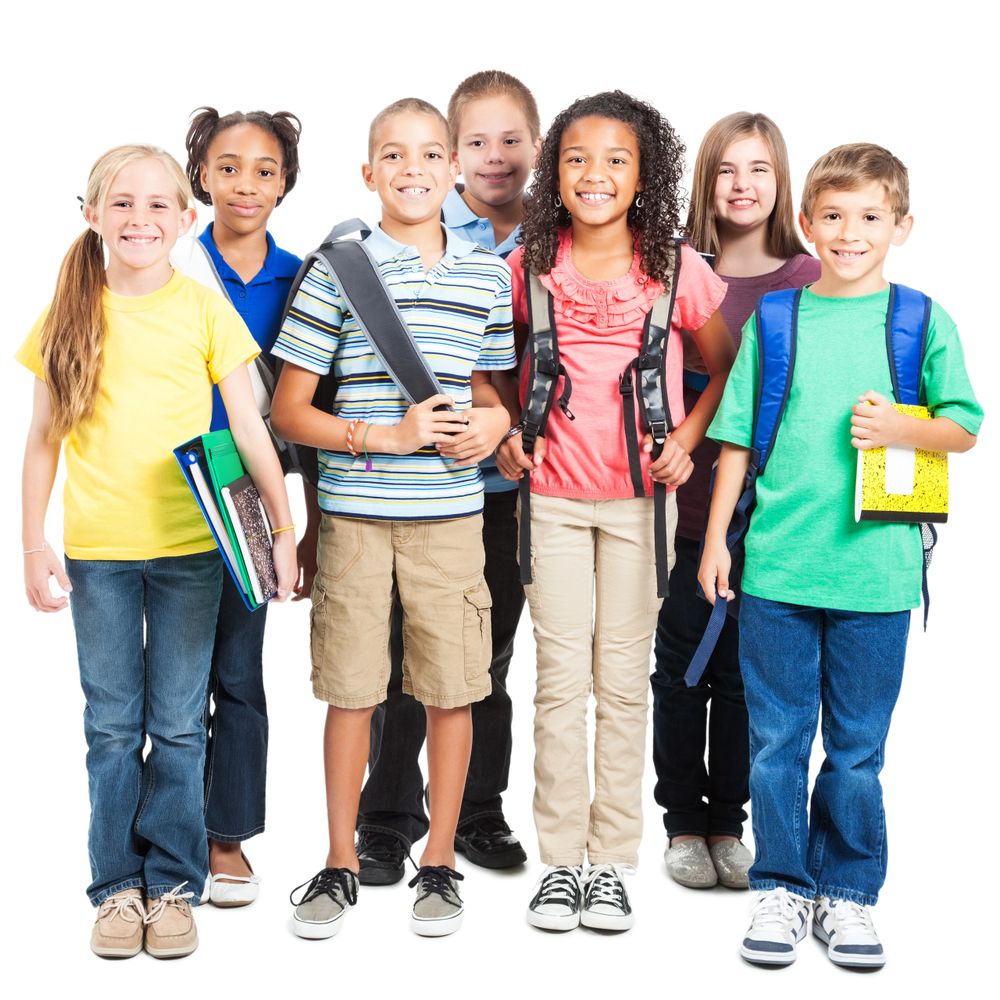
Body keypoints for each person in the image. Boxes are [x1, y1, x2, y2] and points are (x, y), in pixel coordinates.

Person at [699, 143, 982, 967]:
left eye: (868, 218)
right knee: (777, 740)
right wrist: (719, 539)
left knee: (857, 747)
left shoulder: (921, 319)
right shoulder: (777, 321)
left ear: (901, 224)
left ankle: (849, 896)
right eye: (832, 216)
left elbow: (962, 426)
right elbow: (737, 441)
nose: (848, 233)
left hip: (878, 573)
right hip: (780, 568)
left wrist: (902, 427)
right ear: (808, 222)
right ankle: (781, 889)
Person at [19, 145, 297, 959]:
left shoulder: (206, 312)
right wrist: (33, 544)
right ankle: (114, 888)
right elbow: (41, 441)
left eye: (157, 206)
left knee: (178, 727)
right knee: (111, 726)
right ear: (92, 214)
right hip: (99, 556)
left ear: (186, 220)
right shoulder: (67, 314)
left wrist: (282, 533)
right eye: (122, 203)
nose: (139, 219)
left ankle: (174, 882)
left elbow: (250, 429)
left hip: (190, 553)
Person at [270, 98, 515, 938]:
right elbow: (288, 410)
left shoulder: (488, 276)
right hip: (356, 522)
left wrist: (495, 425)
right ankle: (339, 861)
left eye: (429, 155)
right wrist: (387, 433)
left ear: (454, 172)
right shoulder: (337, 268)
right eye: (392, 155)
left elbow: (492, 392)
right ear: (367, 173)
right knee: (351, 694)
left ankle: (439, 861)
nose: (412, 169)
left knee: (453, 694)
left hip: (452, 522)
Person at [495, 91, 734, 932]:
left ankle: (612, 862)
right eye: (577, 160)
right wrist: (501, 432)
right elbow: (491, 362)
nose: (595, 176)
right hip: (552, 499)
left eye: (616, 161)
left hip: (642, 505)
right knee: (560, 682)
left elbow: (726, 368)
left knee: (623, 684)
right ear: (554, 172)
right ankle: (561, 862)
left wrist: (690, 439)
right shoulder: (529, 263)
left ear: (645, 174)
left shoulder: (675, 266)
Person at [356, 71, 542, 881]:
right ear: (452, 155)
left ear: (536, 146)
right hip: (409, 492)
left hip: (517, 493)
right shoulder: (413, 231)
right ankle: (388, 816)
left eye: (512, 140)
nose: (495, 157)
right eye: (476, 142)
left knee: (483, 659)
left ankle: (476, 811)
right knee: (398, 658)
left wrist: (503, 422)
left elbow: (514, 375)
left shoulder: (563, 234)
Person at [651, 112, 820, 891]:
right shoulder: (674, 267)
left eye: (759, 169)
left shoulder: (810, 279)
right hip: (685, 513)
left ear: (780, 182)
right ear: (705, 182)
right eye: (727, 169)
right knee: (683, 670)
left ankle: (730, 822)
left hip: (778, 519)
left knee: (750, 679)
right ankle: (683, 822)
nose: (743, 186)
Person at [181, 106, 318, 906]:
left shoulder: (301, 277)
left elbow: (302, 404)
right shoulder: (168, 257)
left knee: (237, 670)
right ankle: (165, 828)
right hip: (160, 489)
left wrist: (298, 520)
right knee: (164, 679)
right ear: (199, 173)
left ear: (287, 183)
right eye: (228, 166)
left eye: (265, 169)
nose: (246, 183)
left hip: (250, 493)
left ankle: (225, 836)